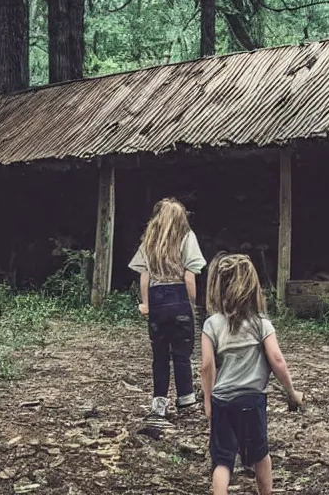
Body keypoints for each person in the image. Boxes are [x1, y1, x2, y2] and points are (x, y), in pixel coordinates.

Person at [200, 253, 304, 495]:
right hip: (252, 401)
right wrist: (292, 392)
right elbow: (277, 359)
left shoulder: (211, 324)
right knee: (260, 455)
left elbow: (206, 365)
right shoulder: (262, 324)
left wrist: (207, 402)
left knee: (222, 460)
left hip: (222, 402)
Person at [129, 198, 207, 426]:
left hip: (157, 298)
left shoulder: (149, 240)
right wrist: (191, 303)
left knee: (160, 355)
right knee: (182, 354)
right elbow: (190, 275)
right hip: (179, 297)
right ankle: (186, 400)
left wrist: (146, 303)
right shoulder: (186, 237)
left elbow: (144, 275)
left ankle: (159, 403)